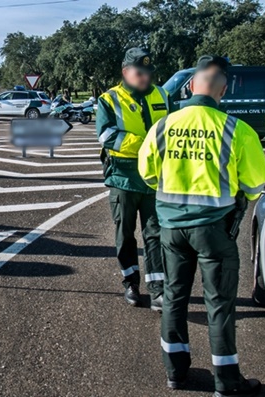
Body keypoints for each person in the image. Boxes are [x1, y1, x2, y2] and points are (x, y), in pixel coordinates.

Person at [138, 56, 265, 396]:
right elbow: (256, 183)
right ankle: (226, 382)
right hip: (214, 230)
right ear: (222, 92)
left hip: (171, 229)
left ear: (192, 85)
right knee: (219, 304)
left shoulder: (163, 126)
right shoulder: (236, 129)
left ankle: (175, 372)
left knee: (175, 297)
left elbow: (148, 174)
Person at [96, 47, 169, 310]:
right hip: (123, 178)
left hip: (154, 180)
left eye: (149, 72)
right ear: (126, 72)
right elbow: (107, 135)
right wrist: (149, 144)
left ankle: (158, 290)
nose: (146, 77)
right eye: (140, 73)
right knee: (125, 235)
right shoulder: (109, 99)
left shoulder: (163, 94)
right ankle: (130, 283)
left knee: (156, 235)